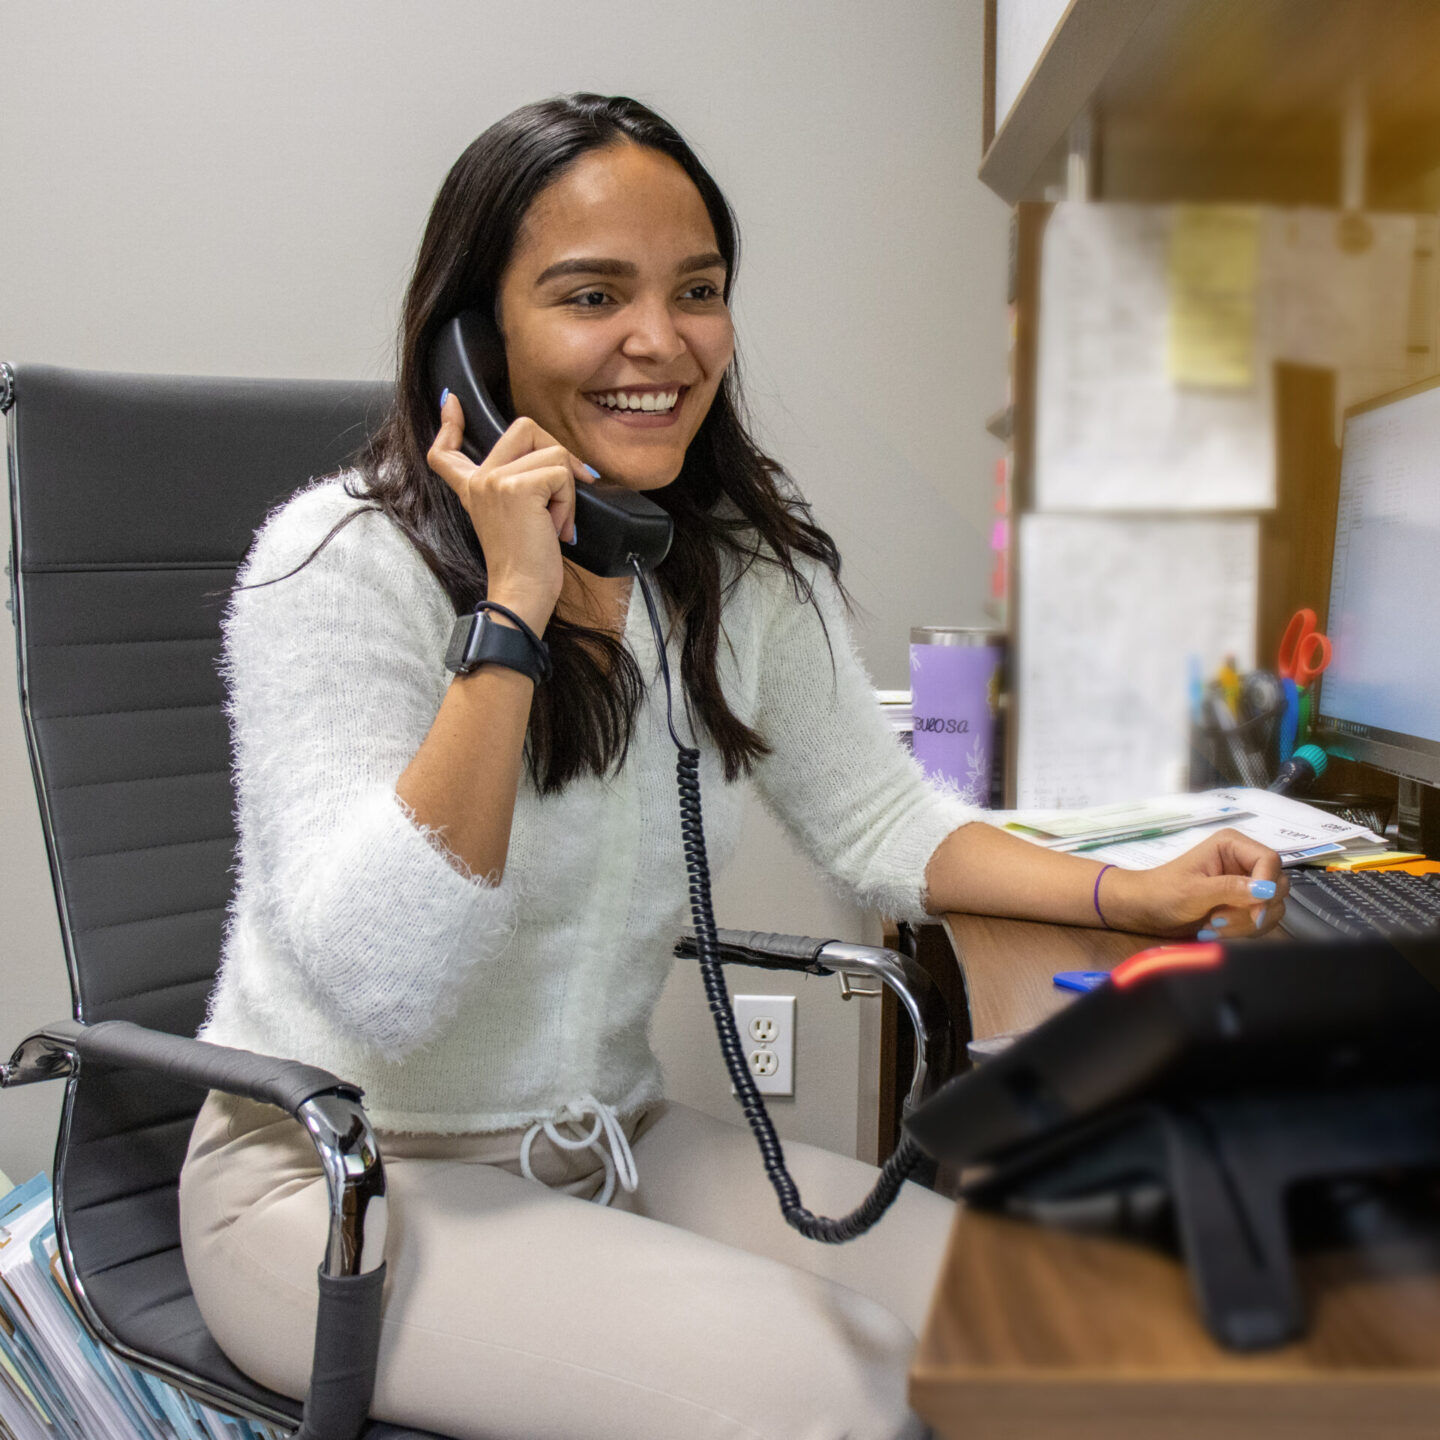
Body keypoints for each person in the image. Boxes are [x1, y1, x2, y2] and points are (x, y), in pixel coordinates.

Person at [178, 93, 1288, 1440]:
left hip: (602, 1143)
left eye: (696, 289)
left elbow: (880, 818)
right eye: (594, 294)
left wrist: (1127, 895)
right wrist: (514, 619)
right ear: (476, 337)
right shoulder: (337, 565)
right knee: (832, 1393)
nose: (663, 341)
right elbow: (384, 981)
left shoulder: (734, 570)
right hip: (328, 1186)